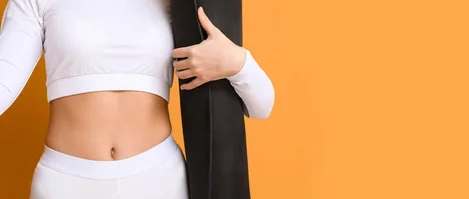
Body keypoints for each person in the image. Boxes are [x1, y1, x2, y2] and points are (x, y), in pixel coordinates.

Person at [0, 0, 274, 198]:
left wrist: (239, 62)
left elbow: (262, 106)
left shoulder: (177, 3)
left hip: (159, 180)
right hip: (66, 183)